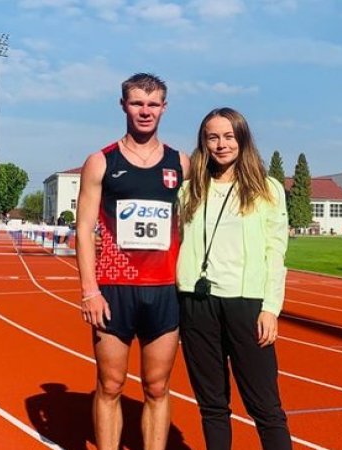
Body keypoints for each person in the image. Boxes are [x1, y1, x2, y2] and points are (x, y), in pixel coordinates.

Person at [76, 73, 190, 450]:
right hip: (114, 289)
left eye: (153, 104)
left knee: (157, 387)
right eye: (137, 103)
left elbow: (193, 224)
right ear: (123, 105)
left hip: (164, 290)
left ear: (164, 108)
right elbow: (84, 229)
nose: (145, 111)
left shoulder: (181, 163)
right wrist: (90, 290)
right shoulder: (101, 162)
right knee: (110, 385)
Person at [176, 107, 292, 450]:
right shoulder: (189, 190)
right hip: (197, 303)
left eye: (229, 136)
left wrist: (270, 308)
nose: (221, 144)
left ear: (242, 139)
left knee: (266, 407)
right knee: (212, 406)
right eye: (212, 137)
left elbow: (276, 251)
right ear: (203, 142)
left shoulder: (266, 189)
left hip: (247, 305)